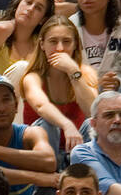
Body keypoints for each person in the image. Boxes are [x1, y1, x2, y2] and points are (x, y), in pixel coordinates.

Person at [20, 14, 98, 156]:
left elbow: (93, 112)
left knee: (91, 125)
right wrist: (66, 124)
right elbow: (41, 105)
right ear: (42, 44)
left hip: (77, 150)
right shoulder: (32, 77)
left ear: (75, 44)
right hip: (43, 154)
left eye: (67, 41)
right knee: (47, 125)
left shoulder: (84, 74)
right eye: (53, 41)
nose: (60, 48)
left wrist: (73, 71)